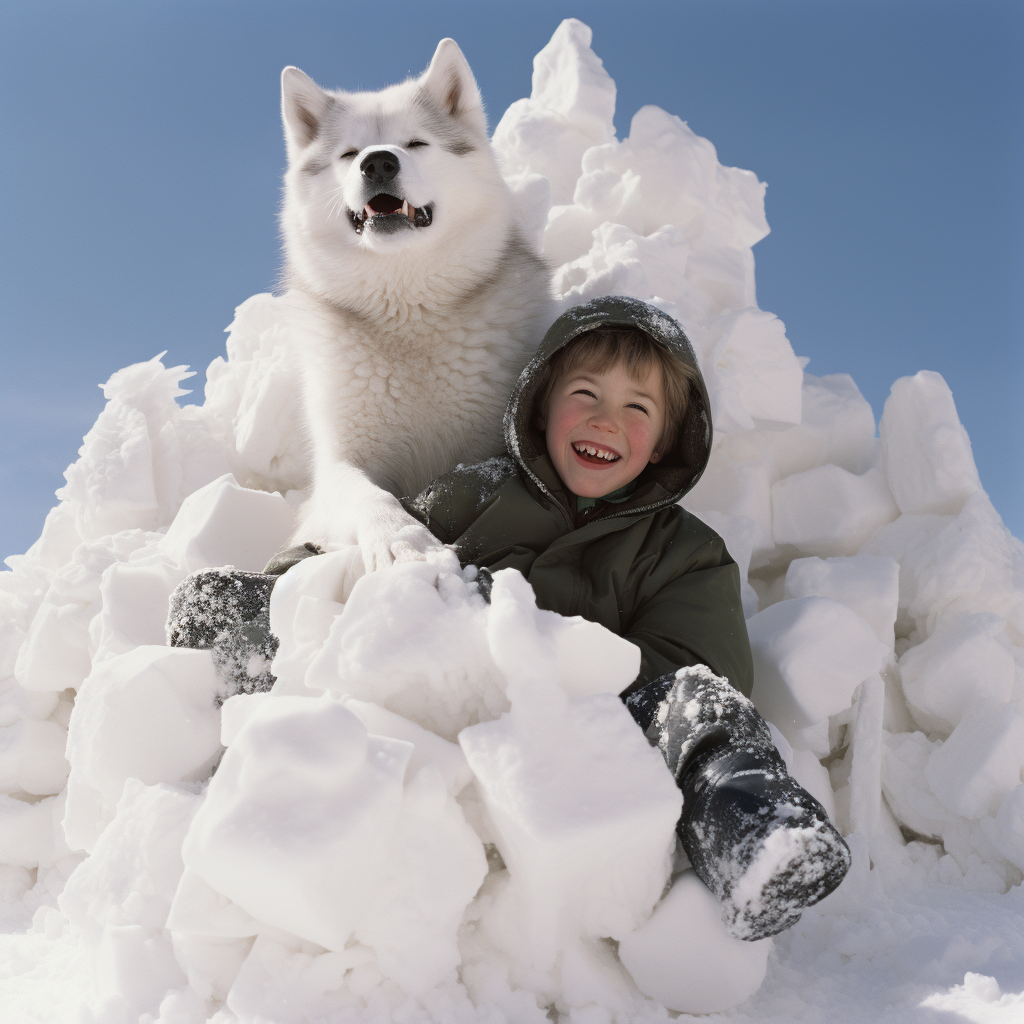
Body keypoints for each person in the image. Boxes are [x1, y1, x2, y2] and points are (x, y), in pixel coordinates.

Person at [168, 295, 850, 941]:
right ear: (541, 405)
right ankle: (230, 757)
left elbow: (701, 663)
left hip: (579, 726)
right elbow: (356, 548)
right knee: (236, 601)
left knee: (699, 706)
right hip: (422, 685)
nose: (606, 420)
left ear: (668, 439)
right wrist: (306, 584)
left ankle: (755, 832)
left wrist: (553, 647)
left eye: (637, 407)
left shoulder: (685, 551)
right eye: (584, 395)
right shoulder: (478, 489)